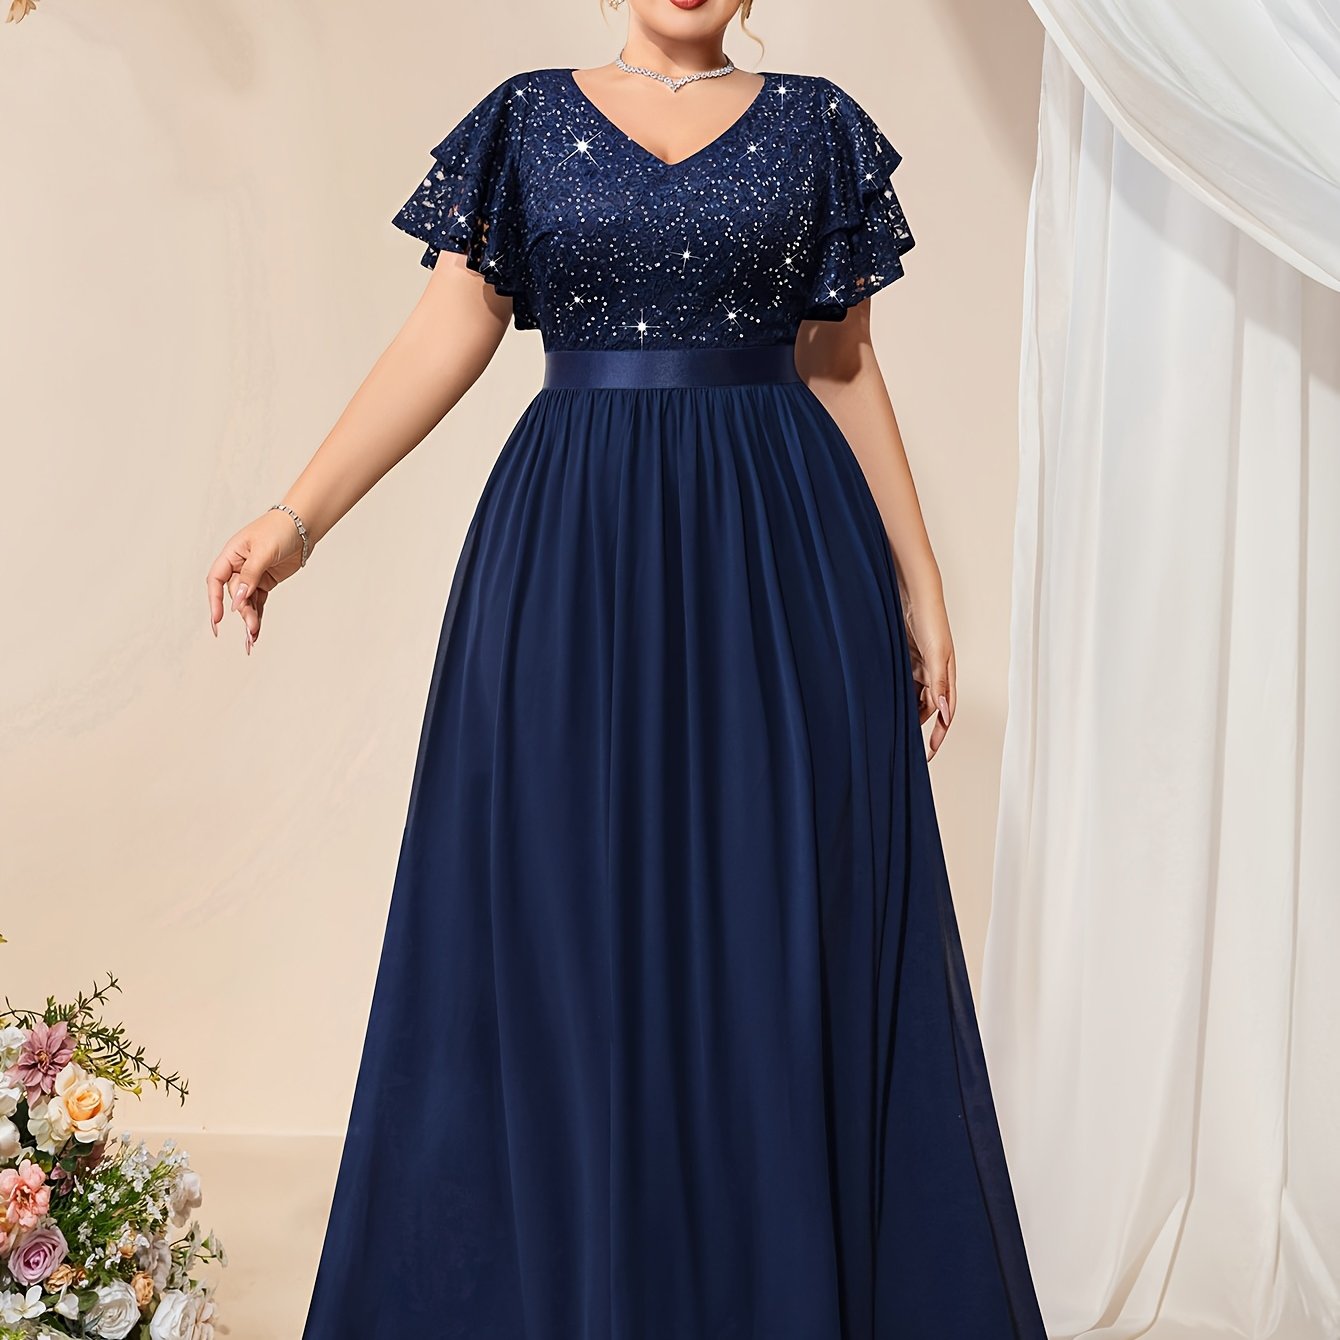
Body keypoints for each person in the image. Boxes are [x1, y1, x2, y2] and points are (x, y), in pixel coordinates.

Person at [205, 1, 1049, 1334]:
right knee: (563, 916)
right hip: (573, 557)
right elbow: (447, 331)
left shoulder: (816, 125)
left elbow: (842, 365)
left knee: (774, 927)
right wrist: (296, 519)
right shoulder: (526, 119)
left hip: (781, 555)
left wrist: (923, 582)